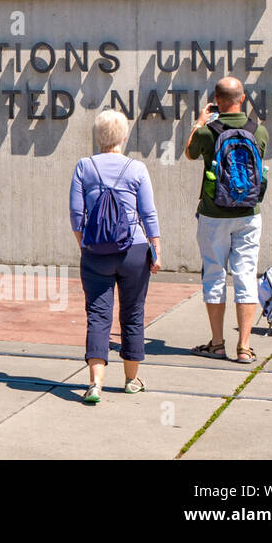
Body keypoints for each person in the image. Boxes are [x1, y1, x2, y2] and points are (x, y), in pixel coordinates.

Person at [70, 109, 161, 402]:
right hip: (134, 250)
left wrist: (85, 243)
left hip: (96, 252)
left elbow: (76, 213)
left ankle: (95, 383)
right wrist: (156, 249)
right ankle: (131, 380)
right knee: (133, 313)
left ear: (97, 136)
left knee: (98, 315)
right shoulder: (137, 168)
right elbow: (148, 213)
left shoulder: (84, 166)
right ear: (124, 136)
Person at [184, 76, 268, 365]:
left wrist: (198, 122)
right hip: (248, 214)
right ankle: (244, 346)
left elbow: (189, 153)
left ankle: (217, 343)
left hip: (213, 214)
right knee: (246, 275)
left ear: (216, 100)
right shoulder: (259, 131)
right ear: (242, 99)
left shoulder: (208, 131)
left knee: (214, 275)